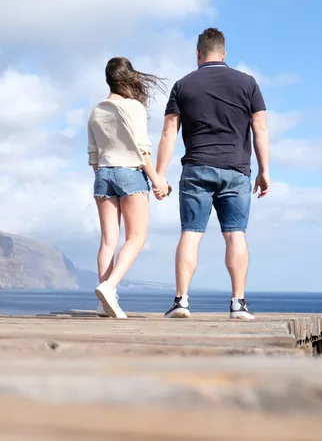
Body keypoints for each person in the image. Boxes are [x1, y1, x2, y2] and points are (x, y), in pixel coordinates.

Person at [154, 28, 270, 320]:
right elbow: (261, 129)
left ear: (197, 54)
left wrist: (159, 174)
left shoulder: (183, 85)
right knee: (235, 235)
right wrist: (265, 171)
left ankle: (181, 302)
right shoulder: (248, 83)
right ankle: (238, 304)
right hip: (237, 169)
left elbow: (169, 132)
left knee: (190, 234)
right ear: (224, 53)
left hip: (197, 167)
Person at [88, 57, 170, 319]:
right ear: (128, 78)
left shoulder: (95, 111)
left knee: (107, 241)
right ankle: (109, 288)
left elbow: (93, 156)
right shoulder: (132, 107)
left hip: (103, 174)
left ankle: (103, 304)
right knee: (136, 237)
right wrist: (157, 179)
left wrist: (106, 174)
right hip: (130, 174)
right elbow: (142, 148)